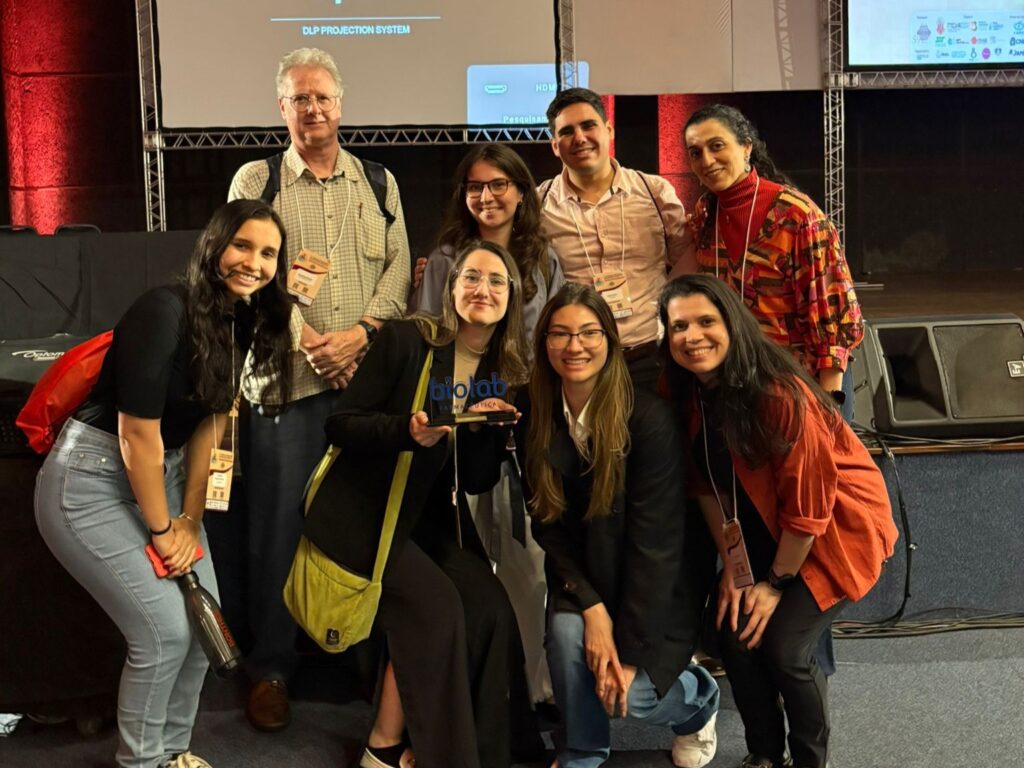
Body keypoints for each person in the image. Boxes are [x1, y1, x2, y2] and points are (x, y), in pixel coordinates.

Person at [34, 200, 294, 768]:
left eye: (268, 252)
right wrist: (162, 529)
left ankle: (174, 752)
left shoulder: (239, 319)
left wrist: (191, 520)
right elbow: (136, 437)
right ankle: (142, 762)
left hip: (164, 475)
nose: (254, 262)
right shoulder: (164, 309)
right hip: (91, 482)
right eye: (242, 245)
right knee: (164, 636)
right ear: (214, 245)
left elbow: (210, 423)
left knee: (206, 628)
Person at [227, 47, 411, 730]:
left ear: (342, 105)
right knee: (277, 528)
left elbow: (397, 269)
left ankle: (359, 658)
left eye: (323, 98)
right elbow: (246, 270)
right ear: (282, 108)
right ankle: (271, 669)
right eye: (299, 98)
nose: (313, 109)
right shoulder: (258, 177)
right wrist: (311, 341)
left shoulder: (380, 181)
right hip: (286, 385)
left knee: (362, 526)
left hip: (365, 386)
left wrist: (361, 334)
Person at [304, 240, 536, 768]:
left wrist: (488, 433)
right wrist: (406, 432)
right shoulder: (408, 341)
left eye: (497, 281)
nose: (483, 289)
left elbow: (474, 481)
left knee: (492, 608)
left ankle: (489, 749)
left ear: (512, 297)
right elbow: (339, 424)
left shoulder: (504, 372)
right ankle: (394, 751)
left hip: (429, 518)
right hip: (367, 511)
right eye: (472, 277)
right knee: (437, 610)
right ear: (451, 289)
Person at [657, 274, 898, 768]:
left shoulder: (779, 394)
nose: (691, 335)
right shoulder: (690, 394)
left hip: (832, 535)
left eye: (706, 321)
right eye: (678, 325)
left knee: (786, 649)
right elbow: (704, 488)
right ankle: (765, 755)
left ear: (733, 324)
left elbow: (810, 512)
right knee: (734, 636)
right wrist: (736, 571)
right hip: (767, 533)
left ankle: (811, 761)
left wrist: (772, 585)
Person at [481, 282, 721, 768]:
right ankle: (583, 752)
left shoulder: (647, 419)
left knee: (629, 697)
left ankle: (699, 697)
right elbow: (547, 525)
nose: (575, 346)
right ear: (544, 342)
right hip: (584, 576)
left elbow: (655, 549)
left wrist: (628, 653)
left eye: (589, 333)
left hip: (654, 588)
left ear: (610, 341)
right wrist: (591, 608)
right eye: (561, 334)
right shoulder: (535, 411)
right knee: (569, 641)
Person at [408, 142, 564, 705]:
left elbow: (553, 340)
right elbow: (427, 335)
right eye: (475, 186)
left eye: (499, 184)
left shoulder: (544, 259)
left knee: (529, 562)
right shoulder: (448, 255)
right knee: (466, 559)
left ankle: (531, 683)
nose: (487, 196)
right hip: (459, 431)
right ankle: (476, 683)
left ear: (522, 191)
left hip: (524, 427)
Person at [679, 103, 863, 419]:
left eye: (717, 146)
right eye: (695, 153)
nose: (706, 160)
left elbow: (835, 319)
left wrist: (829, 406)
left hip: (804, 388)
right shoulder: (706, 215)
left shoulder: (795, 215)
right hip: (740, 385)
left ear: (746, 147)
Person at [539, 88, 696, 390]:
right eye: (567, 131)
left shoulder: (654, 191)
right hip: (580, 361)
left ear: (608, 130)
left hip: (653, 355)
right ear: (555, 146)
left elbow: (686, 262)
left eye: (588, 126)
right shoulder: (540, 204)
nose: (580, 138)